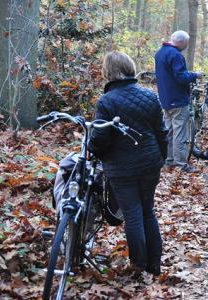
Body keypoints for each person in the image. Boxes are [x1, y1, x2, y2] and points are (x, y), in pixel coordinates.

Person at [88, 51, 166, 275]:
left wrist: (93, 150)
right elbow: (161, 132)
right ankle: (154, 264)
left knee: (132, 214)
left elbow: (101, 138)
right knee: (148, 211)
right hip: (150, 163)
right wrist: (160, 158)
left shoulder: (106, 101)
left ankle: (139, 264)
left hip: (122, 168)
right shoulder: (150, 96)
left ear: (109, 72)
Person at [155, 30, 203, 173]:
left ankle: (168, 160)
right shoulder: (175, 55)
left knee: (169, 131)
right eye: (186, 44)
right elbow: (181, 77)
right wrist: (195, 75)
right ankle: (181, 164)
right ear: (181, 42)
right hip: (178, 100)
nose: (187, 47)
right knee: (180, 133)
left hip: (165, 99)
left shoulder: (160, 53)